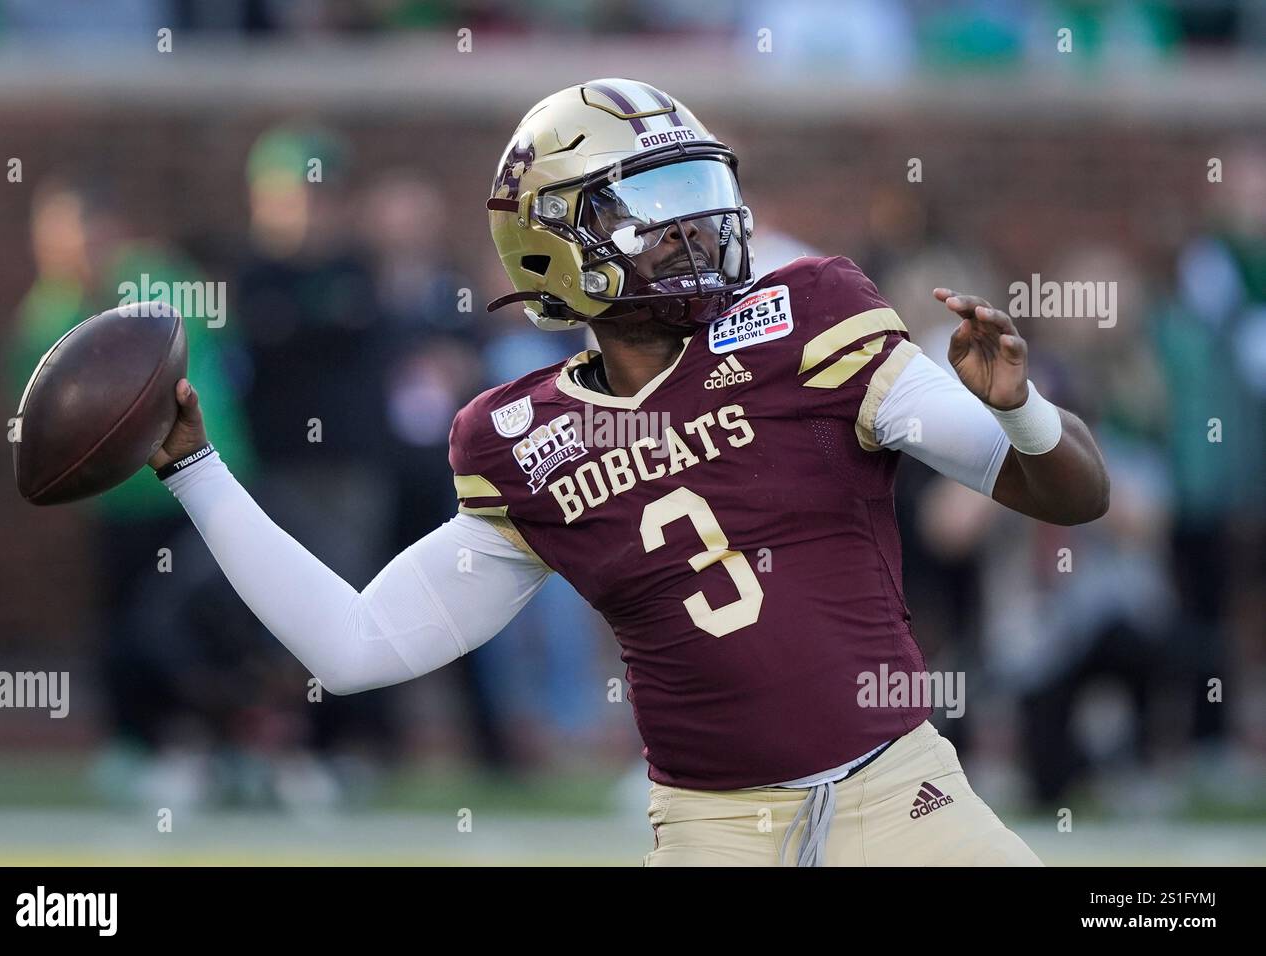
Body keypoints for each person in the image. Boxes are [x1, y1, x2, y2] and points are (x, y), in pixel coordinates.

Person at [146, 79, 1109, 866]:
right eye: (650, 206)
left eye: (696, 192)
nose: (692, 228)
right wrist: (196, 469)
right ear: (553, 243)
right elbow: (355, 649)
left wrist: (1017, 409)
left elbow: (1071, 493)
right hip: (712, 835)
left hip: (906, 798)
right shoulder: (522, 438)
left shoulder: (808, 316)